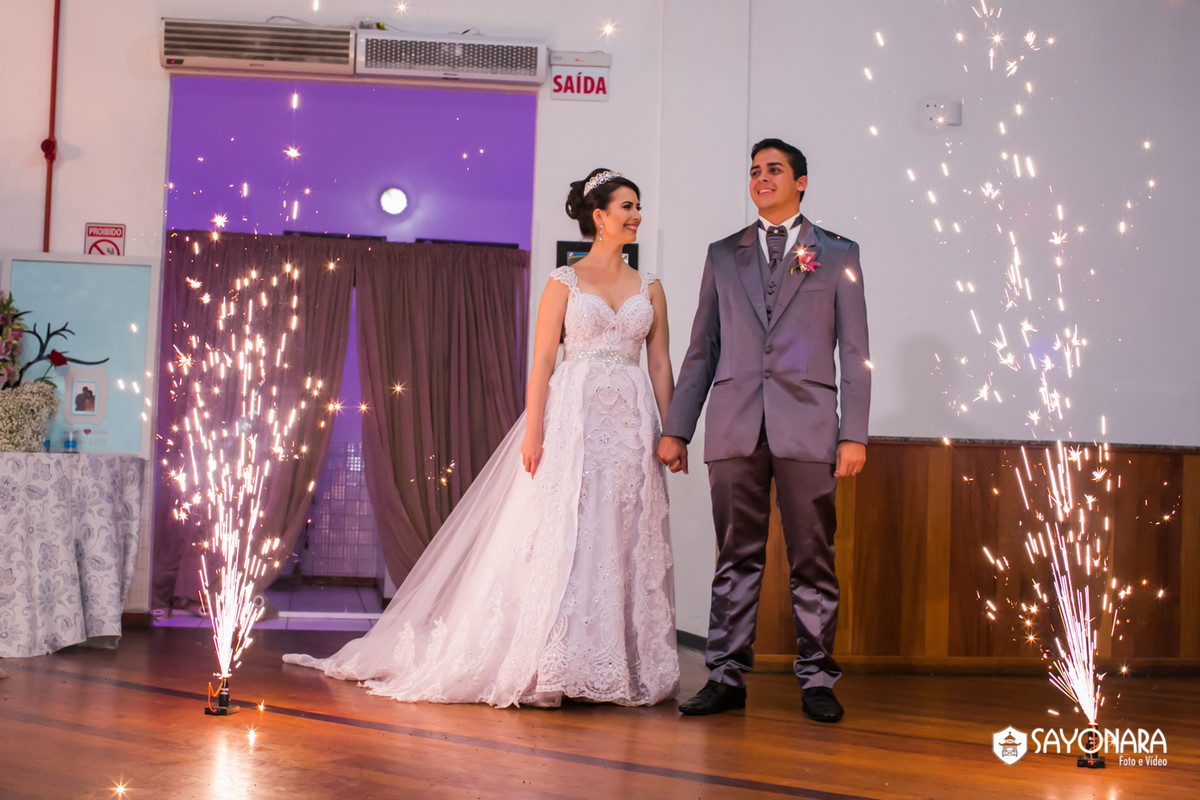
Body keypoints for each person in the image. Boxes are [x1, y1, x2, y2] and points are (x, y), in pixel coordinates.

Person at [284, 169, 679, 708]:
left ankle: (610, 662)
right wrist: (534, 430)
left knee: (621, 533)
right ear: (599, 216)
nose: (636, 216)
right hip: (573, 419)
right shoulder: (564, 281)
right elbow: (543, 361)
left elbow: (660, 363)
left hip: (631, 424)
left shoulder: (649, 285)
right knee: (564, 531)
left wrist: (673, 430)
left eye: (638, 206)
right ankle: (550, 661)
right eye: (627, 206)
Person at [657, 138, 870, 723]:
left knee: (813, 559)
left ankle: (818, 679)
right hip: (735, 423)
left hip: (810, 426)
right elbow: (702, 348)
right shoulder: (724, 254)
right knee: (735, 557)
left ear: (801, 182)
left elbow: (854, 352)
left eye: (774, 170)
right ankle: (725, 677)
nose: (762, 178)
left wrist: (853, 434)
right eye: (754, 171)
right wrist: (678, 428)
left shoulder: (838, 253)